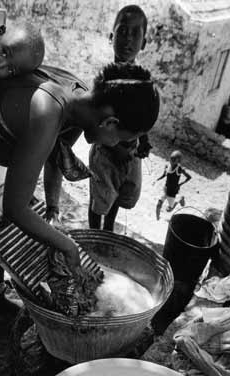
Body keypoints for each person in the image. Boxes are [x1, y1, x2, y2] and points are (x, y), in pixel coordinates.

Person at [0, 23, 160, 365]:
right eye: (123, 139)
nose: (117, 146)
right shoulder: (47, 112)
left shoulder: (79, 96)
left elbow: (55, 156)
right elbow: (15, 207)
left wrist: (53, 209)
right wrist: (67, 245)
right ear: (110, 123)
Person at [88, 4, 152, 232]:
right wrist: (116, 149)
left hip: (130, 153)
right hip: (106, 153)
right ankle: (94, 234)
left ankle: (108, 230)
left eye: (135, 33)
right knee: (99, 200)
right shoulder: (104, 81)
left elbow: (144, 116)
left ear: (144, 43)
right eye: (123, 31)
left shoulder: (143, 81)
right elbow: (94, 124)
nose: (128, 39)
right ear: (111, 37)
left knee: (119, 194)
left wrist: (144, 141)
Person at [155, 150, 191, 220]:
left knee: (169, 210)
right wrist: (157, 179)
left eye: (174, 159)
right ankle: (157, 219)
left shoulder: (179, 169)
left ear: (178, 161)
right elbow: (164, 174)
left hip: (173, 192)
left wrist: (180, 184)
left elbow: (189, 177)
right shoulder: (167, 166)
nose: (171, 161)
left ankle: (179, 199)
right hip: (166, 189)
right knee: (158, 205)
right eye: (171, 158)